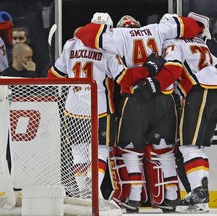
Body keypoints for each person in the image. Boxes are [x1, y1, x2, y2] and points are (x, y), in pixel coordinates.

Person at [74, 13, 203, 212]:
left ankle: (133, 197)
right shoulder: (159, 29)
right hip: (164, 99)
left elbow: (86, 34)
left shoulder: (116, 36)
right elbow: (194, 26)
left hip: (134, 99)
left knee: (130, 150)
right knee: (165, 149)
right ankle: (170, 197)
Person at [47, 12, 163, 200]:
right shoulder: (109, 51)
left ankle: (83, 192)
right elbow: (125, 80)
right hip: (100, 107)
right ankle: (94, 192)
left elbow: (54, 76)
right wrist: (148, 68)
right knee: (100, 150)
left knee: (79, 151)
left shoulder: (70, 44)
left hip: (73, 107)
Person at [160, 12, 217, 213]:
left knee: (188, 145)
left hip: (198, 90)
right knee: (198, 146)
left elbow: (174, 69)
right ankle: (200, 201)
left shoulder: (173, 42)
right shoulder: (200, 43)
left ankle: (197, 190)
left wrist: (155, 85)